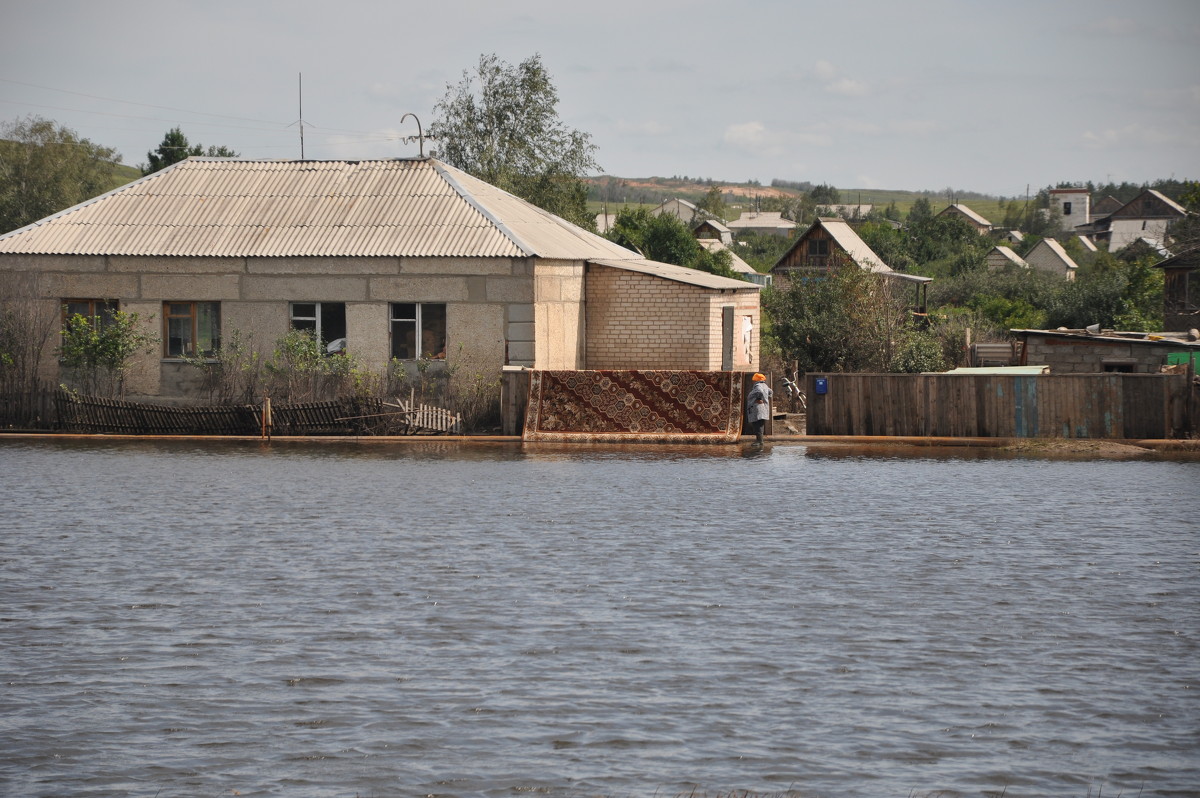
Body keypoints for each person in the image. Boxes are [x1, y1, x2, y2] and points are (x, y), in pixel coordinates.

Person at [746, 372, 772, 445]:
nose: (753, 381)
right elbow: (771, 392)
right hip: (763, 408)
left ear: (756, 380)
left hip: (757, 408)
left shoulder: (758, 385)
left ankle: (759, 441)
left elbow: (759, 391)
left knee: (757, 424)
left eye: (754, 379)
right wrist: (766, 399)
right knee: (760, 424)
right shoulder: (765, 386)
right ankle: (760, 440)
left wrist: (759, 398)